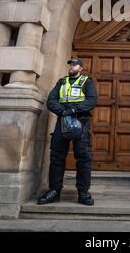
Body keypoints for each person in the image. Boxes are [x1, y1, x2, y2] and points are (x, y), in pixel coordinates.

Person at [37, 57, 98, 206]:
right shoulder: (61, 82)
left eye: (74, 65)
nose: (71, 66)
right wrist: (63, 111)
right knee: (56, 156)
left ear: (80, 68)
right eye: (70, 64)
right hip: (62, 121)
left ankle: (83, 193)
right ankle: (54, 191)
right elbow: (51, 100)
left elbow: (92, 100)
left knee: (83, 158)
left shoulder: (87, 81)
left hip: (80, 121)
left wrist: (74, 109)